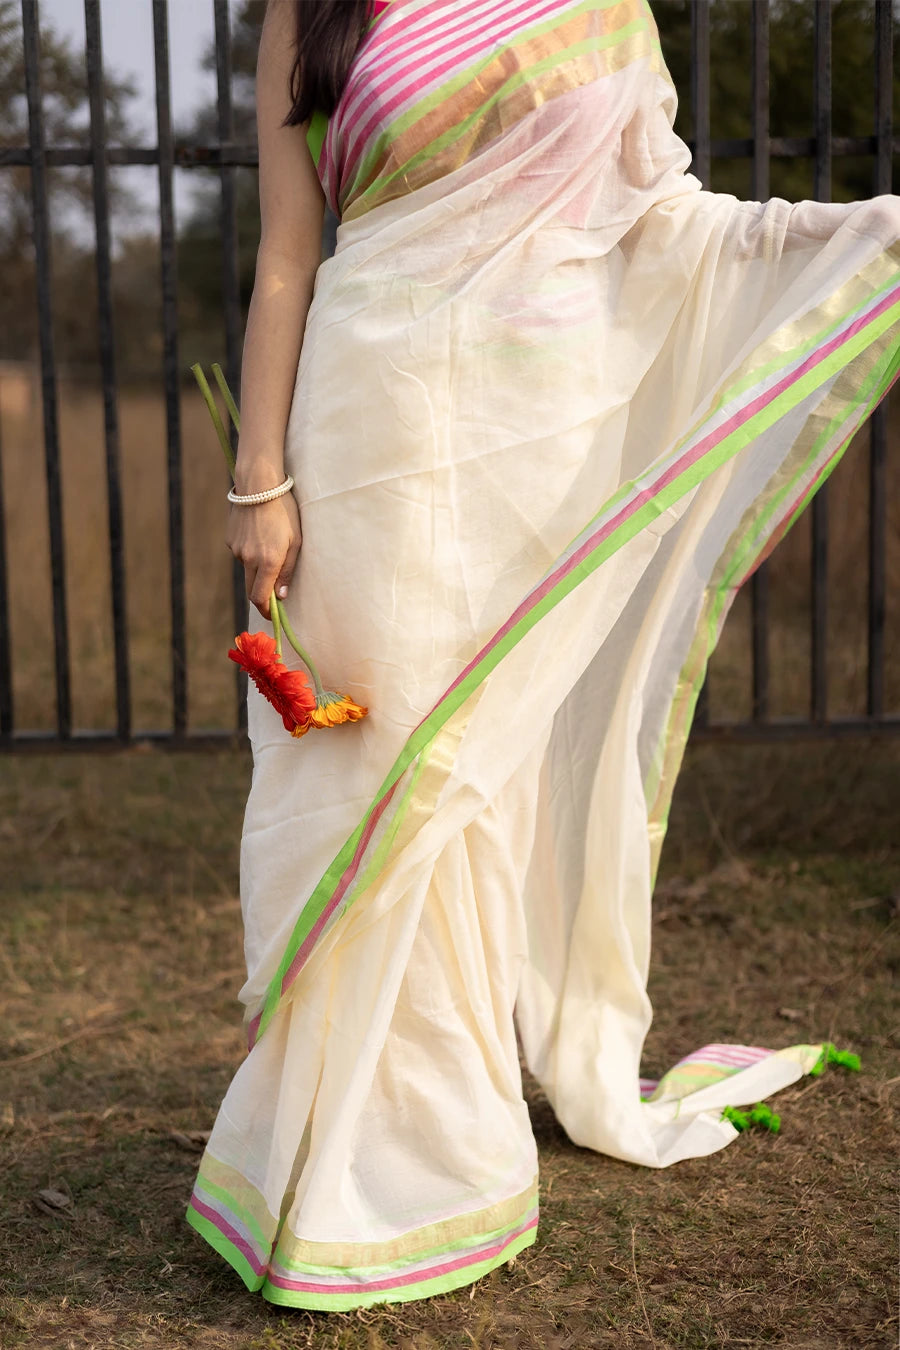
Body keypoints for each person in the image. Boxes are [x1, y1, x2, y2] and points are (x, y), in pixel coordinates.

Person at [185, 0, 900, 1310]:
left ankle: (446, 1135)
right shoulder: (313, 6)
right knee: (374, 762)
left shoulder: (595, 8)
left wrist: (843, 236)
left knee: (480, 766)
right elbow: (289, 253)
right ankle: (343, 1149)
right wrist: (257, 477)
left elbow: (661, 222)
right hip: (373, 418)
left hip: (538, 426)